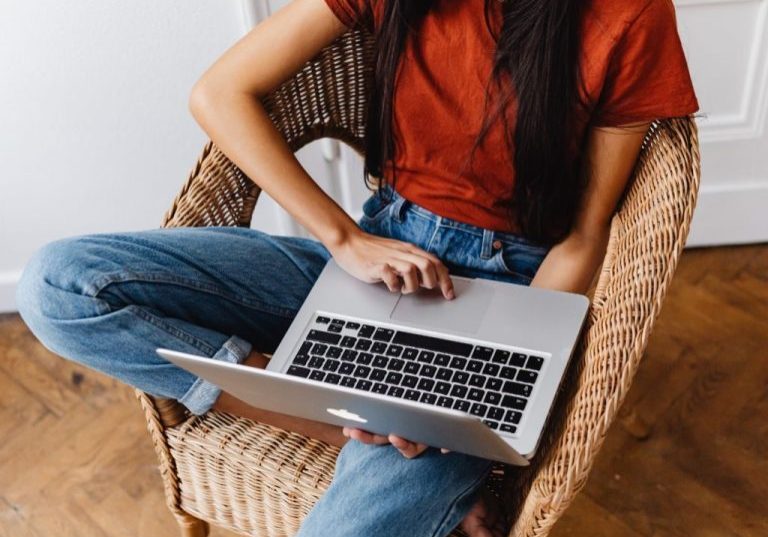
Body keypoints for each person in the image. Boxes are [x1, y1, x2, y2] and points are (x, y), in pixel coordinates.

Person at [15, 0, 699, 535]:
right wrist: (343, 237)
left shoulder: (630, 14)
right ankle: (340, 418)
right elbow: (220, 93)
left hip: (506, 288)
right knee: (58, 285)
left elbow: (584, 235)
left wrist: (482, 384)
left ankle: (413, 438)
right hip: (370, 256)